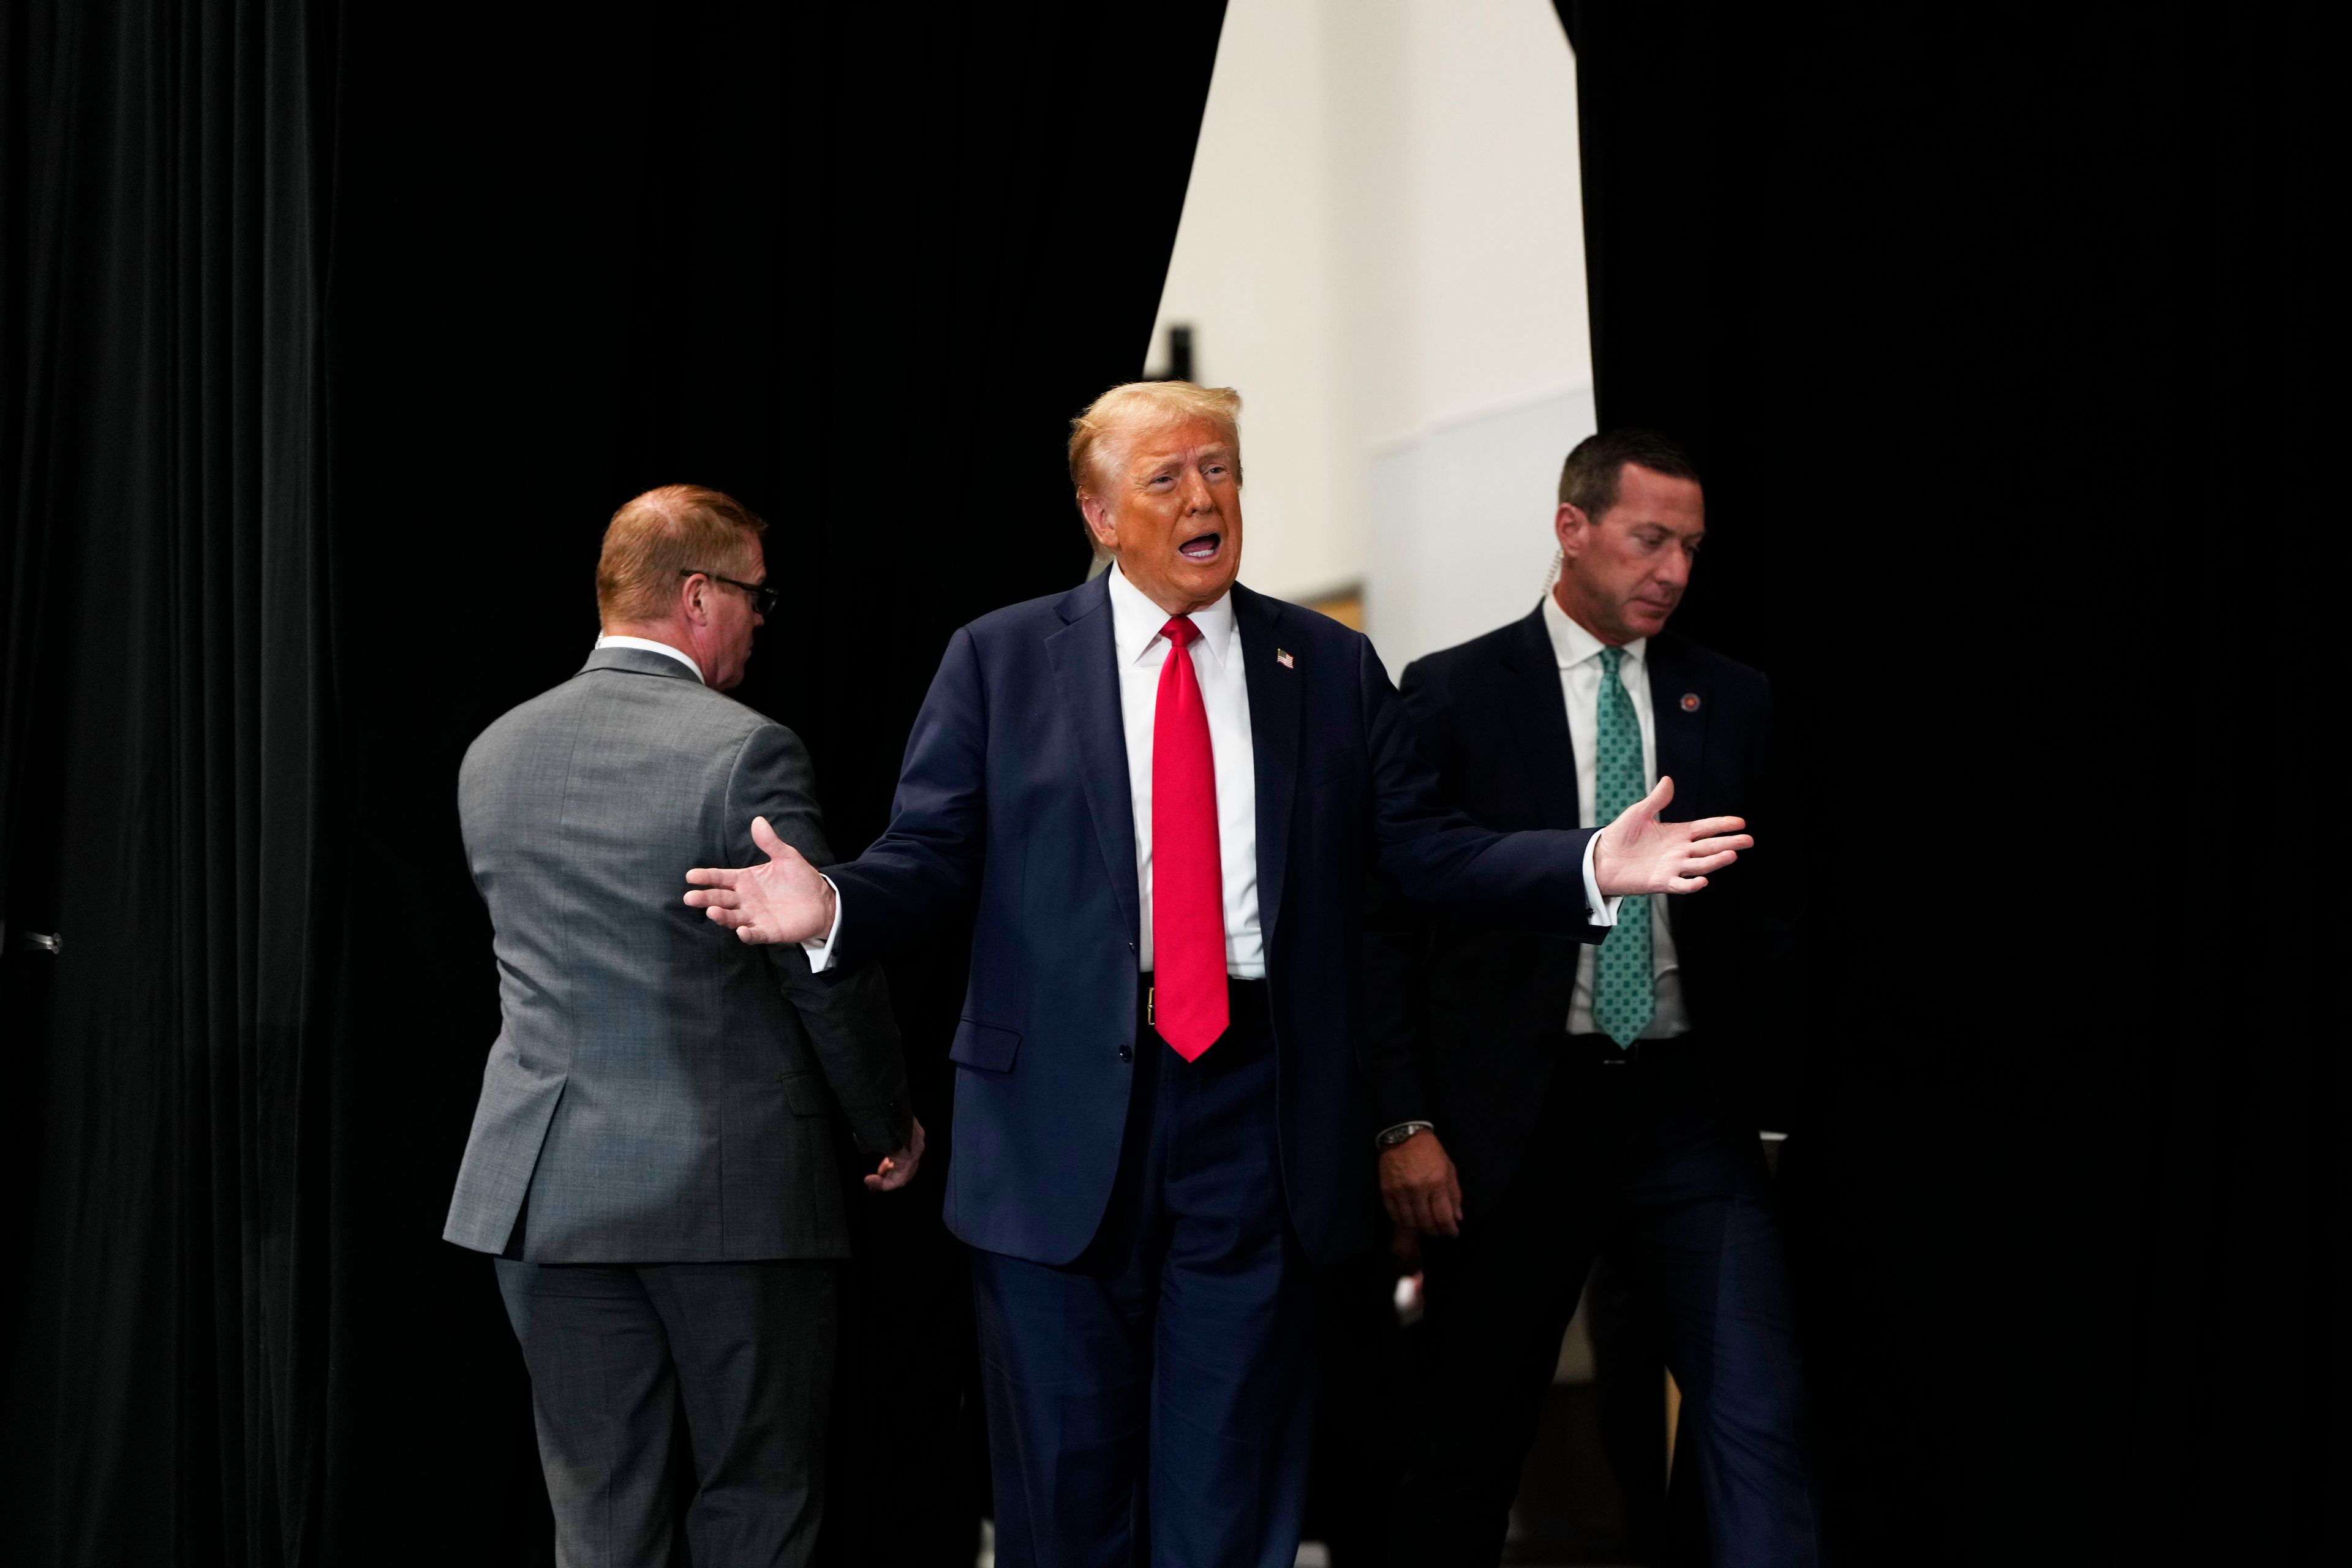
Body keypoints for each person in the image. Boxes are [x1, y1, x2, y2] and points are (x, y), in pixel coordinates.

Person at [680, 385, 1755, 1567]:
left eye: (1224, 469)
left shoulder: (1329, 666)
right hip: (1054, 1123)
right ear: (1100, 514)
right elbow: (933, 855)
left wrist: (1588, 859)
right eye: (1168, 478)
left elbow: (1425, 851)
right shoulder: (1001, 659)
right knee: (1068, 1496)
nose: (1206, 498)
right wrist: (833, 900)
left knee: (1231, 1494)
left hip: (1256, 1113)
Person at [442, 484, 924, 1568]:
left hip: (546, 1198)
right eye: (755, 595)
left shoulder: (493, 754)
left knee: (600, 1516)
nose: (761, 620)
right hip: (729, 1196)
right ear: (698, 595)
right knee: (757, 1505)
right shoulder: (745, 753)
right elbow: (817, 966)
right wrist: (884, 1124)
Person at [1366, 429, 1819, 1564]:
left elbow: (1772, 927)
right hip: (1518, 1117)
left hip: (1686, 1114)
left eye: (1691, 547)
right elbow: (1394, 928)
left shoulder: (1735, 698)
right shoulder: (1455, 693)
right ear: (1573, 528)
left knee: (1757, 1417)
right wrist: (1407, 1122)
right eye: (1649, 538)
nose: (1672, 569)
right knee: (1470, 1437)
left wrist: (1766, 1109)